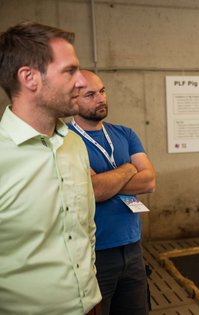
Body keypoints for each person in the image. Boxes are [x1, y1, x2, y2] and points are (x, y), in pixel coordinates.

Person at [0, 21, 101, 314]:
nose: (82, 81)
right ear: (29, 78)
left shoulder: (74, 145)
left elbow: (85, 229)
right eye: (70, 71)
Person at [68, 70, 156, 315]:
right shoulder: (65, 141)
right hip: (93, 253)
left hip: (133, 247)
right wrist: (129, 168)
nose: (101, 99)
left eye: (102, 91)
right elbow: (94, 191)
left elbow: (149, 181)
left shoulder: (125, 133)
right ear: (73, 100)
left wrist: (109, 180)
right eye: (90, 94)